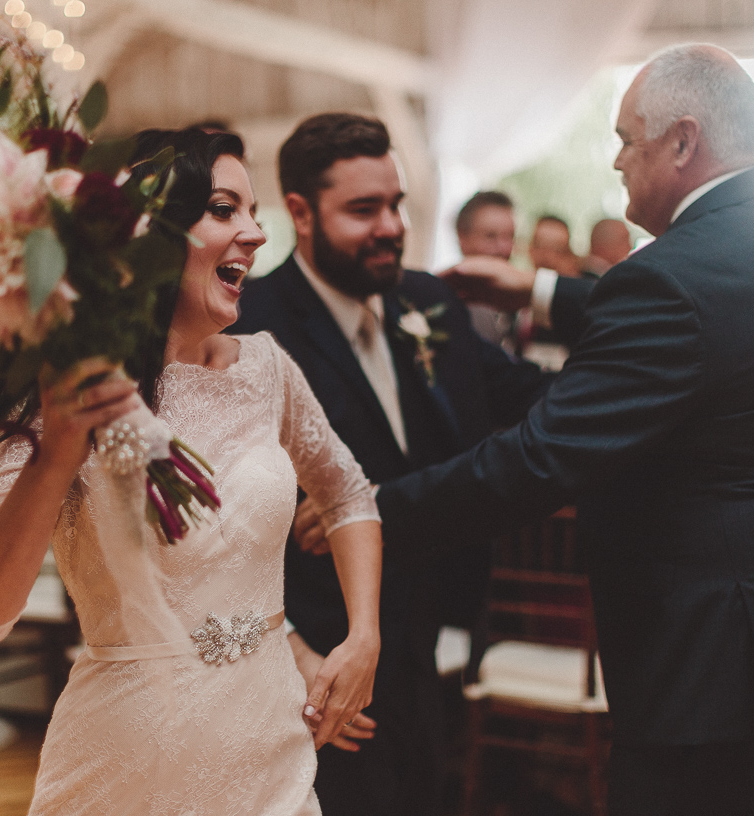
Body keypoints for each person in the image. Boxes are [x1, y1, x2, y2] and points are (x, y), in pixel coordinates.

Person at [377, 44, 754, 815]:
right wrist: (544, 291)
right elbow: (719, 324)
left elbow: (540, 460)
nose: (615, 162)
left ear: (682, 142)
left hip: (724, 691)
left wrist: (372, 514)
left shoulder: (671, 278)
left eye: (626, 139)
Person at [0, 128, 382, 815]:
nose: (255, 234)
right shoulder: (65, 391)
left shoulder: (268, 369)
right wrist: (58, 451)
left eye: (253, 212)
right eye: (223, 209)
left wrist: (361, 637)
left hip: (272, 754)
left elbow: (348, 493)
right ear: (147, 237)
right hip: (126, 769)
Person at [231, 114, 555, 816]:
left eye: (396, 205)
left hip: (430, 637)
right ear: (299, 213)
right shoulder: (253, 327)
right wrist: (292, 651)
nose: (390, 226)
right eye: (363, 209)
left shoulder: (428, 303)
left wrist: (576, 308)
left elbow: (537, 400)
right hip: (317, 662)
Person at [454, 190, 519, 349]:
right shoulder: (449, 299)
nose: (504, 248)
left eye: (509, 236)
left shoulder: (516, 302)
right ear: (463, 238)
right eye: (491, 236)